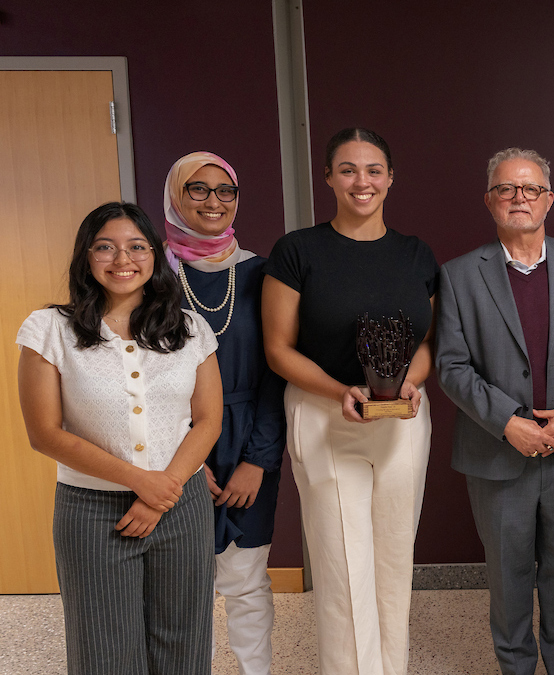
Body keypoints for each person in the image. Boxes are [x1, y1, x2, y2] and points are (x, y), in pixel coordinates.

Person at [16, 201, 222, 674]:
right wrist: (139, 481)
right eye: (105, 247)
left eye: (136, 247)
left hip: (182, 504)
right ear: (86, 257)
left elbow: (208, 418)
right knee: (103, 651)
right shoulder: (49, 329)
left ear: (155, 256)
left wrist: (161, 490)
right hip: (92, 510)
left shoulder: (190, 328)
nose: (122, 259)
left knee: (184, 644)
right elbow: (44, 433)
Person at [262, 128, 438, 675]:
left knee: (392, 559)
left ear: (390, 178)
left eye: (373, 170)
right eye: (348, 170)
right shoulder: (298, 251)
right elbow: (277, 348)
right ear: (329, 178)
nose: (362, 182)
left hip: (402, 416)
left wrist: (411, 383)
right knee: (342, 565)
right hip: (324, 415)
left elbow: (429, 341)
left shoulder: (415, 254)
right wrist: (341, 391)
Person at [436, 148, 554, 675]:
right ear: (489, 201)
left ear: (549, 199)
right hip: (496, 452)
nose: (519, 199)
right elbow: (452, 366)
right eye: (506, 189)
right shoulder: (458, 275)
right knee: (507, 581)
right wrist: (509, 422)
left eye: (530, 189)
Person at [163, 151, 286, 675]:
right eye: (198, 189)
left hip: (251, 438)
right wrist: (188, 459)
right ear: (175, 197)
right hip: (174, 443)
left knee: (246, 576)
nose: (214, 201)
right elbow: (143, 381)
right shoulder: (150, 277)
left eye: (225, 190)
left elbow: (276, 371)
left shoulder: (262, 273)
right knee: (182, 581)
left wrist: (257, 459)